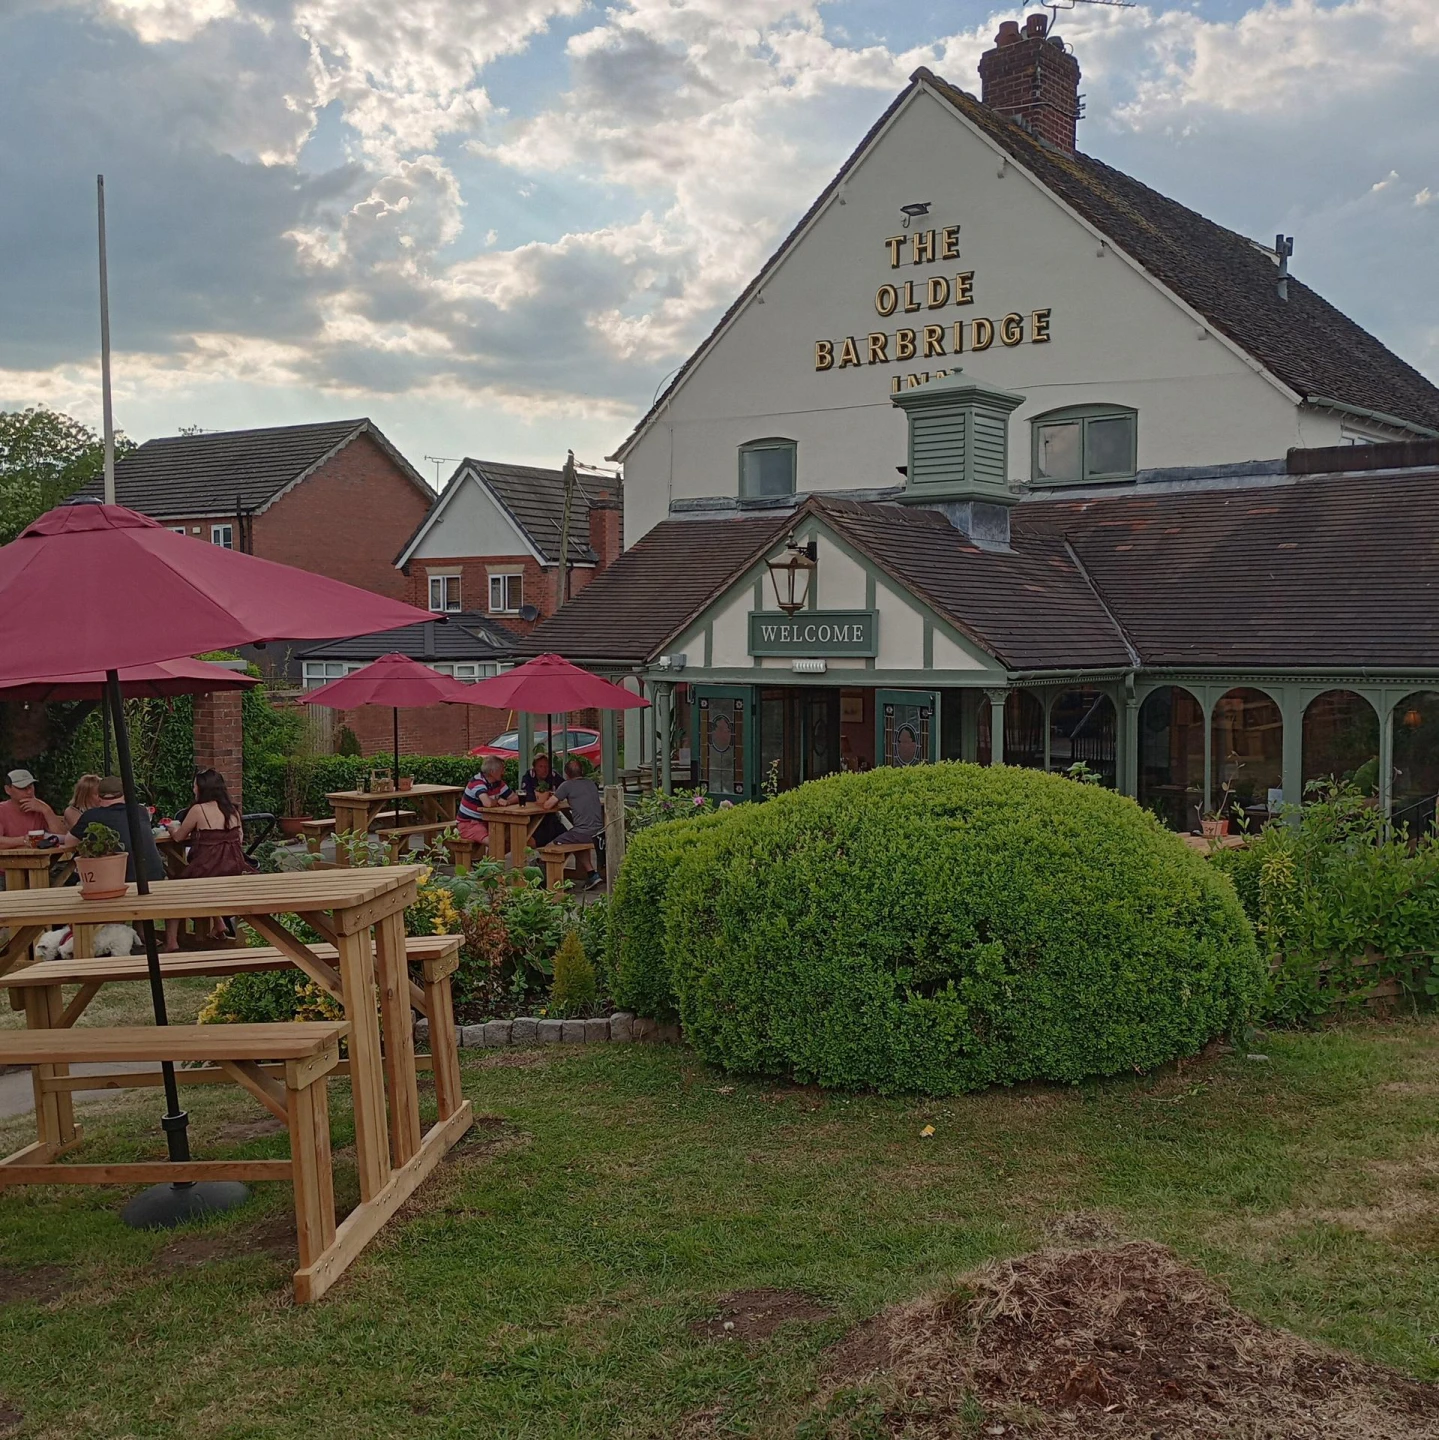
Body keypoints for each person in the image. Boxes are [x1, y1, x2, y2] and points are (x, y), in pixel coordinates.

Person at [163, 769, 254, 951]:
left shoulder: (198, 810)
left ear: (202, 789)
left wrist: (171, 828)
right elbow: (239, 839)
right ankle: (219, 924)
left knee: (174, 891)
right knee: (210, 880)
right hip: (232, 870)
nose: (193, 789)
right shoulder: (233, 811)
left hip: (207, 870)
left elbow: (179, 837)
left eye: (194, 786)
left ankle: (171, 942)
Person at [63, 776, 165, 884]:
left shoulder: (91, 816)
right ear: (124, 794)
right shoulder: (140, 811)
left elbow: (69, 843)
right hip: (156, 876)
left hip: (122, 880)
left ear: (98, 796)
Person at [541, 758, 604, 889]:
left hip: (582, 833)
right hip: (599, 832)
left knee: (549, 847)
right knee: (575, 841)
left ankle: (551, 880)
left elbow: (547, 805)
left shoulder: (567, 785)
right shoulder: (591, 784)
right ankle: (592, 875)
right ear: (582, 771)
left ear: (567, 774)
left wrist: (548, 796)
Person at [456, 756, 517, 845]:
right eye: (502, 769)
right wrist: (498, 800)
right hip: (469, 824)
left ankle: (494, 854)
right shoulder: (477, 782)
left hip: (488, 822)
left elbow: (515, 797)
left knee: (514, 839)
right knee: (496, 843)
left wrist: (508, 802)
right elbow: (487, 803)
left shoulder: (498, 783)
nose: (504, 772)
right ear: (492, 772)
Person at [0, 768, 63, 849]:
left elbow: (62, 837)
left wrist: (47, 810)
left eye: (30, 786)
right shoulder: (2, 810)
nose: (29, 792)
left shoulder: (39, 808)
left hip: (40, 856)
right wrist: (24, 840)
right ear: (8, 790)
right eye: (22, 788)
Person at [520, 752, 565, 847]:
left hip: (550, 815)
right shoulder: (528, 776)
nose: (545, 770)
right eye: (541, 766)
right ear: (534, 768)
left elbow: (565, 788)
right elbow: (529, 797)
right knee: (537, 836)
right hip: (533, 816)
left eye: (546, 766)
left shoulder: (553, 775)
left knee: (565, 836)